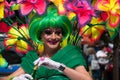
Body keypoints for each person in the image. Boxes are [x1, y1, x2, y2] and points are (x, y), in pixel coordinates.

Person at [2, 5, 93, 80]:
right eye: (48, 32)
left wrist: (60, 67)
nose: (54, 37)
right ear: (40, 34)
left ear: (62, 35)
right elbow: (9, 78)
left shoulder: (69, 54)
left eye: (58, 33)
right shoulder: (33, 58)